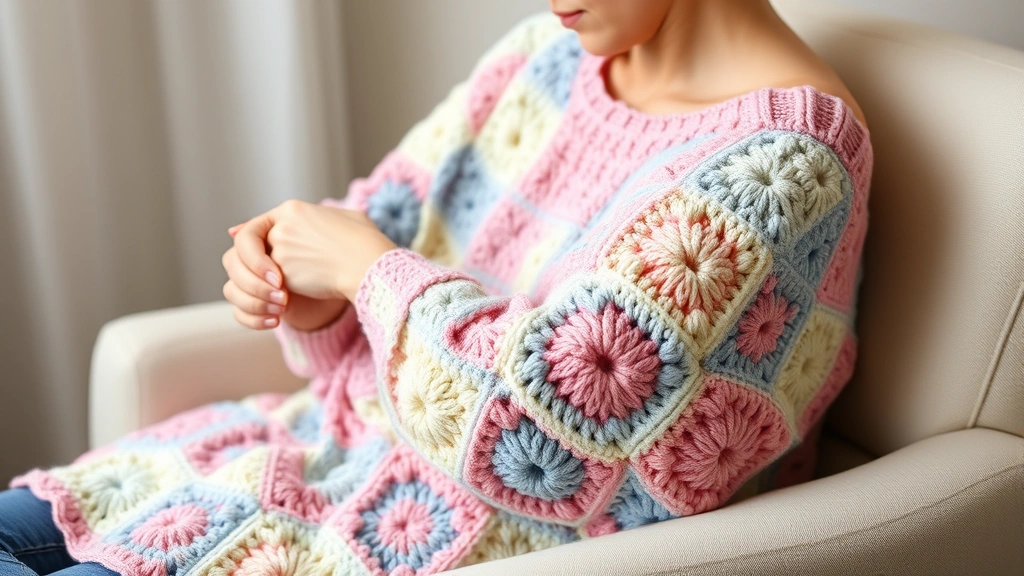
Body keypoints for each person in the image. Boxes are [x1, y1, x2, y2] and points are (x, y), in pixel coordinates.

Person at [2, 1, 872, 574]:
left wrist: (364, 269)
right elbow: (382, 224)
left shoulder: (786, 161)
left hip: (475, 536)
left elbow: (550, 442)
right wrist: (313, 295)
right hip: (311, 448)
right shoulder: (546, 56)